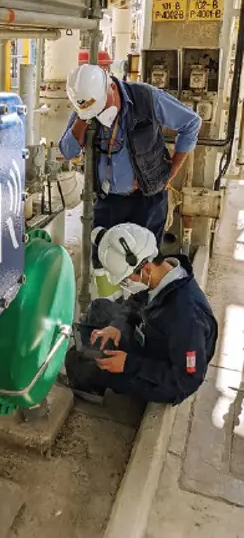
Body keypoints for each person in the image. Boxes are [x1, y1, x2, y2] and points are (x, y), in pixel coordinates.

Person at [64, 222, 218, 405]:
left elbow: (188, 380)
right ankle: (100, 369)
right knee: (99, 308)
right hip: (152, 337)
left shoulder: (185, 318)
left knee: (78, 361)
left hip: (165, 378)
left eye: (127, 279)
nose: (126, 283)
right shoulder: (164, 274)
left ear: (145, 270)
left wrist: (129, 364)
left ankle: (92, 383)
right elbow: (135, 302)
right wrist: (116, 326)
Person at [59, 64, 202, 248]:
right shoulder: (86, 106)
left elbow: (191, 123)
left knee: (143, 261)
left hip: (147, 198)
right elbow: (68, 151)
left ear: (111, 88)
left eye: (102, 107)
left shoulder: (147, 98)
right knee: (104, 260)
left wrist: (173, 170)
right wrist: (83, 117)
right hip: (108, 200)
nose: (100, 114)